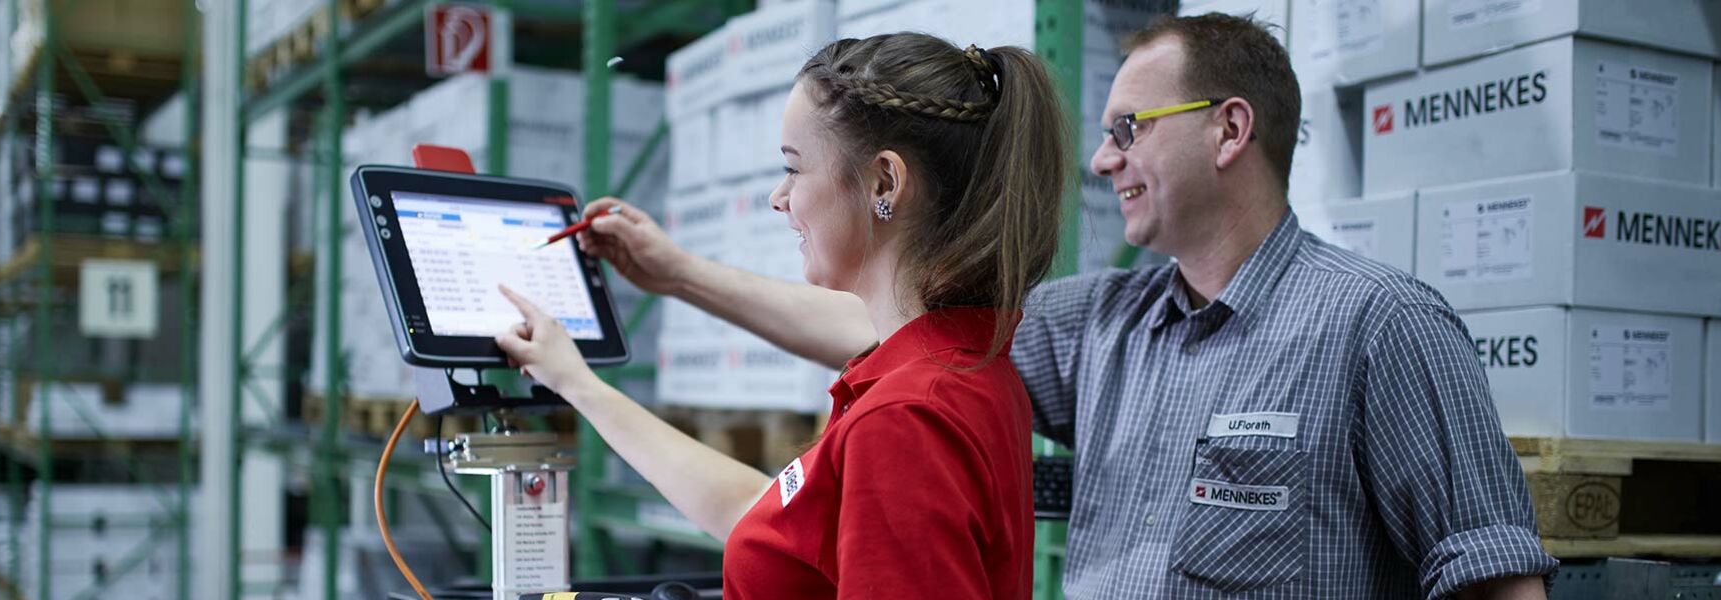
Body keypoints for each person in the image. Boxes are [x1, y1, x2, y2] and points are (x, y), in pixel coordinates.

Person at [567, 13, 1560, 600]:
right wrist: (677, 273)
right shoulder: (1110, 325)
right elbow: (901, 337)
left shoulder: (1380, 328)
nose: (1102, 158)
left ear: (1230, 131)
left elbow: (1493, 575)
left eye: (1129, 128)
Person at [493, 33, 1072, 599]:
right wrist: (577, 383)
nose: (779, 197)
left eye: (795, 168)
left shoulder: (905, 415)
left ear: (884, 182)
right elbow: (770, 522)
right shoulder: (957, 369)